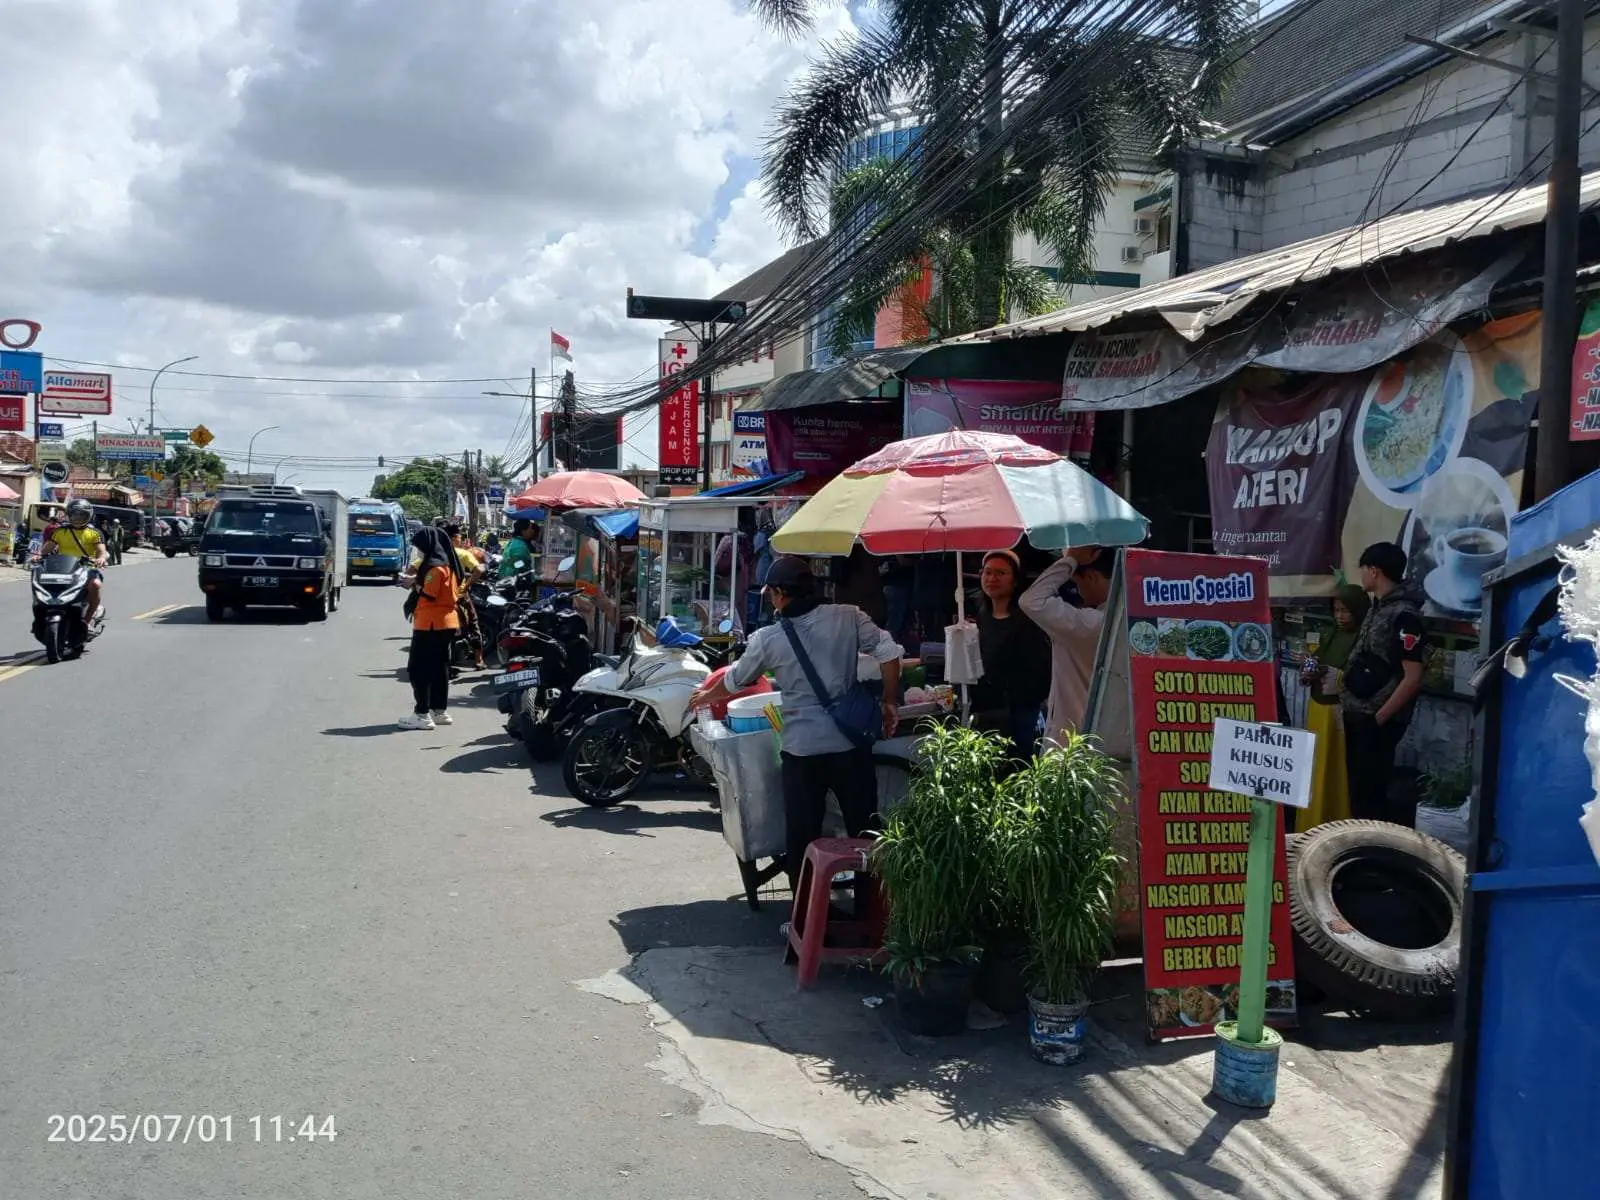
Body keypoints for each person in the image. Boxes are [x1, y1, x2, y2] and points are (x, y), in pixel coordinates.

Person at [691, 555, 900, 891]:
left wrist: (706, 696)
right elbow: (890, 653)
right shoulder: (849, 616)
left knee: (803, 837)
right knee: (865, 831)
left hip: (803, 752)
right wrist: (889, 702)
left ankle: (805, 915)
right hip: (851, 745)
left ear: (779, 593)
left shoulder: (768, 639)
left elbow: (735, 680)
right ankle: (869, 911)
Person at [1342, 542, 1428, 825]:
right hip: (1357, 712)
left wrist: (1378, 719)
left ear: (1374, 571)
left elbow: (1413, 677)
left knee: (1371, 795)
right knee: (1357, 792)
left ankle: (1373, 856)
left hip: (1377, 720)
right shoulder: (1377, 608)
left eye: (1364, 570)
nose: (1362, 576)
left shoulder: (1405, 615)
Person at [1018, 545, 1114, 747]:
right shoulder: (1135, 623)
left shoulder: (1091, 624)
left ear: (1092, 577)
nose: (1077, 591)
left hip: (1072, 740)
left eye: (1077, 583)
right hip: (1112, 738)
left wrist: (1070, 559)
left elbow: (1031, 601)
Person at [1298, 584, 1370, 833]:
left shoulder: (1363, 639)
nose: (1339, 616)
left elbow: (1359, 677)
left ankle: (1334, 823)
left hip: (1339, 715)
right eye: (1336, 610)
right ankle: (1310, 823)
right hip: (1318, 710)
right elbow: (1317, 659)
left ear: (1359, 612)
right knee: (1315, 769)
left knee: (1334, 771)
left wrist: (1331, 674)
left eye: (1345, 611)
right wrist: (1308, 670)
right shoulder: (1333, 635)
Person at [970, 550, 1052, 762]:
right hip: (991, 710)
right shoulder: (982, 616)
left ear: (1015, 580)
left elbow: (1041, 667)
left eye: (1000, 573)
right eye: (987, 572)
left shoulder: (1028, 620)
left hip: (1024, 711)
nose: (992, 578)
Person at [398, 528, 464, 731]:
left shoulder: (435, 568)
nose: (418, 551)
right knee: (439, 669)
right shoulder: (449, 565)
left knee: (419, 670)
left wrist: (412, 583)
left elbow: (429, 594)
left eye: (419, 547)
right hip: (445, 623)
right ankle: (439, 710)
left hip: (430, 624)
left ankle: (422, 713)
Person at [48, 499, 109, 620]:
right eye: (75, 514)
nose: (78, 517)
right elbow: (46, 549)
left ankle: (87, 620)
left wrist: (101, 558)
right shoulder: (59, 531)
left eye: (81, 514)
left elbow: (102, 551)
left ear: (88, 516)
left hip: (87, 570)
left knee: (95, 585)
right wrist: (37, 556)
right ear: (69, 515)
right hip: (63, 570)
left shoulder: (95, 533)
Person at [446, 524, 488, 669]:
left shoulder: (434, 553)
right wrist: (465, 585)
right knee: (473, 623)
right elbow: (479, 570)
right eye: (459, 537)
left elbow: (412, 570)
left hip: (438, 598)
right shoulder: (462, 554)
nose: (461, 540)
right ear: (453, 538)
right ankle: (478, 659)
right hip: (460, 596)